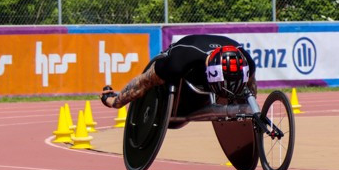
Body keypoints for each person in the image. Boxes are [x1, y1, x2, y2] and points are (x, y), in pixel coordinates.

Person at [100, 34, 257, 110]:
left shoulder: (247, 62)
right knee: (149, 80)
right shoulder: (178, 62)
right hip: (187, 53)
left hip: (226, 53)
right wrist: (116, 102)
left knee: (247, 90)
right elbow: (142, 82)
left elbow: (251, 91)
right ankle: (114, 100)